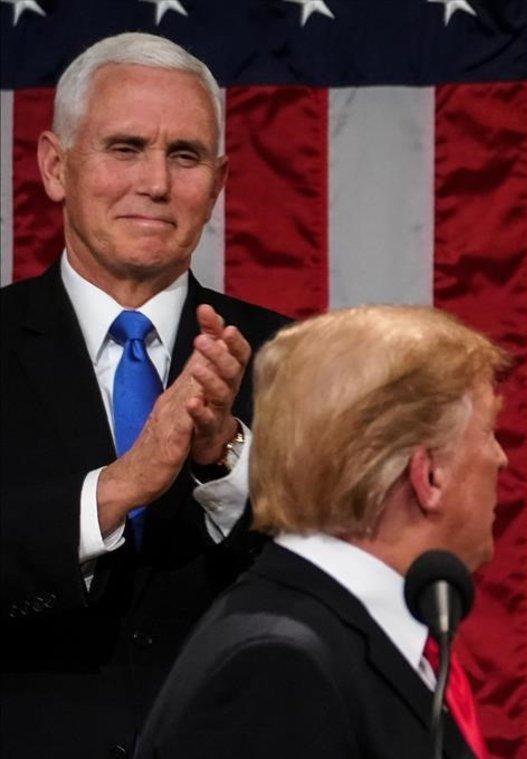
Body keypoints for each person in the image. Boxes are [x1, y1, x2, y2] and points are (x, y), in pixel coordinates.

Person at [0, 33, 288, 758]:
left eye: (185, 155)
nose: (155, 183)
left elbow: (335, 580)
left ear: (218, 182)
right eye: (125, 148)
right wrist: (117, 488)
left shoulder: (295, 359)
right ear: (55, 166)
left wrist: (226, 461)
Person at [136, 306, 508, 759]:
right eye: (488, 433)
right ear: (428, 475)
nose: (501, 459)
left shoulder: (333, 633)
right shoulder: (278, 668)